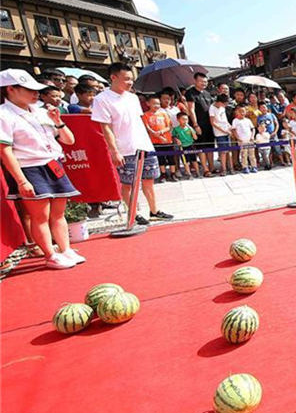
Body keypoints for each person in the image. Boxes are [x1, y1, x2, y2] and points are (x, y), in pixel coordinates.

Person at [0, 69, 83, 269]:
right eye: (29, 90)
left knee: (59, 213)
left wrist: (58, 122)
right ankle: (50, 254)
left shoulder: (40, 111)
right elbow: (5, 150)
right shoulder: (4, 114)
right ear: (10, 89)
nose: (35, 94)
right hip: (30, 168)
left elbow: (69, 140)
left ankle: (65, 249)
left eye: (36, 89)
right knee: (40, 216)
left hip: (53, 163)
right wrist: (21, 180)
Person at [91, 62, 172, 226]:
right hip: (124, 148)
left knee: (148, 180)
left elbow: (138, 121)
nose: (130, 83)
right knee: (128, 183)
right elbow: (105, 127)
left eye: (132, 80)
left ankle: (154, 211)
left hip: (144, 145)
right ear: (114, 77)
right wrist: (114, 151)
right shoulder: (102, 99)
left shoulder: (133, 97)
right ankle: (133, 213)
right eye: (126, 79)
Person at [184, 72, 215, 176]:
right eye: (201, 81)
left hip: (209, 125)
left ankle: (212, 167)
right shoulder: (190, 93)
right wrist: (195, 125)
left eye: (205, 81)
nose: (204, 83)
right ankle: (205, 169)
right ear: (195, 81)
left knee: (210, 147)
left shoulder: (207, 93)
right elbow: (191, 110)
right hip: (199, 125)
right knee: (201, 148)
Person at [142, 95, 178, 183]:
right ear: (148, 104)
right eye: (154, 103)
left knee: (171, 157)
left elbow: (169, 126)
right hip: (155, 141)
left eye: (158, 103)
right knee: (160, 158)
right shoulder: (145, 115)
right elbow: (147, 128)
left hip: (167, 140)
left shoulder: (164, 114)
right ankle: (163, 174)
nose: (156, 105)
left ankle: (173, 173)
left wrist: (161, 132)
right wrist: (157, 135)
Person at [209, 94, 236, 175]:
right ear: (220, 102)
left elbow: (225, 120)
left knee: (229, 151)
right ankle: (224, 169)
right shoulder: (212, 108)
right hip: (219, 133)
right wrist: (224, 130)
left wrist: (230, 127)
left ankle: (231, 168)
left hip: (227, 130)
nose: (226, 105)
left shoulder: (222, 108)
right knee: (223, 152)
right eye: (225, 103)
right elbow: (213, 123)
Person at [172, 112, 200, 178]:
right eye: (183, 119)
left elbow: (195, 137)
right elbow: (174, 136)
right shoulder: (176, 129)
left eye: (186, 119)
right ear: (178, 120)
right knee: (185, 161)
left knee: (194, 160)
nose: (185, 121)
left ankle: (197, 172)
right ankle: (188, 173)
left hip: (191, 145)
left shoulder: (189, 128)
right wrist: (177, 140)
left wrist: (191, 130)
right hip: (182, 147)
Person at [231, 105, 257, 174]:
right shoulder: (235, 121)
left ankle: (253, 166)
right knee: (243, 154)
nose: (242, 113)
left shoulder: (248, 120)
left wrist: (252, 136)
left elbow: (253, 129)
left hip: (250, 140)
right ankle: (245, 167)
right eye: (240, 111)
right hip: (242, 140)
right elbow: (234, 130)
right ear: (237, 112)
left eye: (243, 111)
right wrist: (238, 138)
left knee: (252, 154)